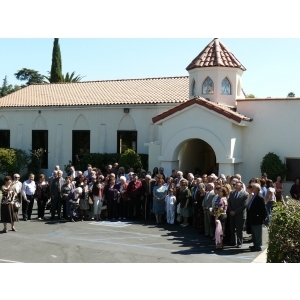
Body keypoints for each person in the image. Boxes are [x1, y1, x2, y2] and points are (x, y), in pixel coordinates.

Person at [227, 181, 249, 248]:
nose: (235, 186)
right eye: (235, 185)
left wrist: (235, 212)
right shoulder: (232, 193)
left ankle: (239, 242)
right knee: (232, 228)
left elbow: (244, 205)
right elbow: (229, 202)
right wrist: (230, 211)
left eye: (237, 185)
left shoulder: (245, 194)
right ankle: (233, 241)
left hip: (240, 215)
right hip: (231, 214)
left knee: (239, 230)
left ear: (241, 186)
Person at [247, 183, 268, 252]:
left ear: (256, 189)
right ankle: (255, 245)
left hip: (257, 217)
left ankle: (258, 246)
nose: (251, 189)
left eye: (253, 187)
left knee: (257, 233)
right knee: (254, 233)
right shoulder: (254, 195)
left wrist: (265, 216)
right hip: (253, 217)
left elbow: (263, 208)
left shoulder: (259, 197)